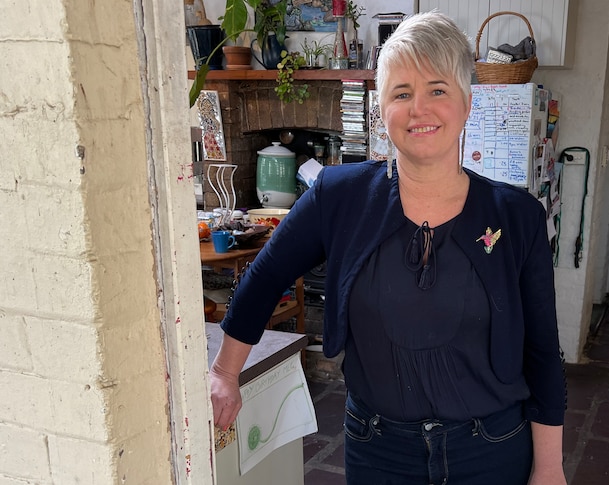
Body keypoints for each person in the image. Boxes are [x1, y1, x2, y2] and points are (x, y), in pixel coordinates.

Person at [209, 11, 566, 484]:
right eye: (402, 93)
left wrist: (550, 466)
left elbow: (542, 351)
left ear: (466, 103)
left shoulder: (516, 217)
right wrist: (224, 374)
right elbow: (265, 277)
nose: (420, 108)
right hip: (379, 452)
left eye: (438, 89)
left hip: (493, 450)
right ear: (382, 107)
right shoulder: (338, 197)